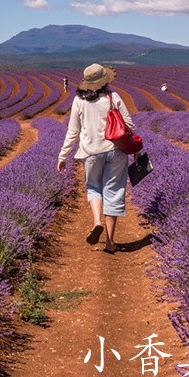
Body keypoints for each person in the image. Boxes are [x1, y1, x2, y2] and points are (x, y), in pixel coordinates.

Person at [57, 63, 136, 255]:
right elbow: (130, 125)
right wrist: (136, 149)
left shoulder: (79, 101)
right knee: (114, 192)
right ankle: (110, 242)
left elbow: (73, 132)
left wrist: (63, 155)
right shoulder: (113, 97)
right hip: (116, 151)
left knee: (93, 187)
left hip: (91, 153)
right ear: (105, 81)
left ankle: (97, 222)